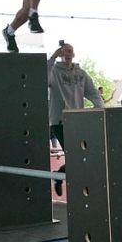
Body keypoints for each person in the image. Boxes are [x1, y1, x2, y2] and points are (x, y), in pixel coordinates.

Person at [47, 43, 105, 197]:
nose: (67, 53)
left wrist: (98, 110)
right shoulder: (54, 71)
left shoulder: (81, 74)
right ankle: (64, 180)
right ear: (60, 53)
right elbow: (43, 80)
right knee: (76, 156)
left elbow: (93, 93)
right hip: (59, 121)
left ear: (74, 54)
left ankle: (59, 176)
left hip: (79, 120)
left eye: (70, 51)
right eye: (64, 51)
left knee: (81, 155)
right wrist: (52, 58)